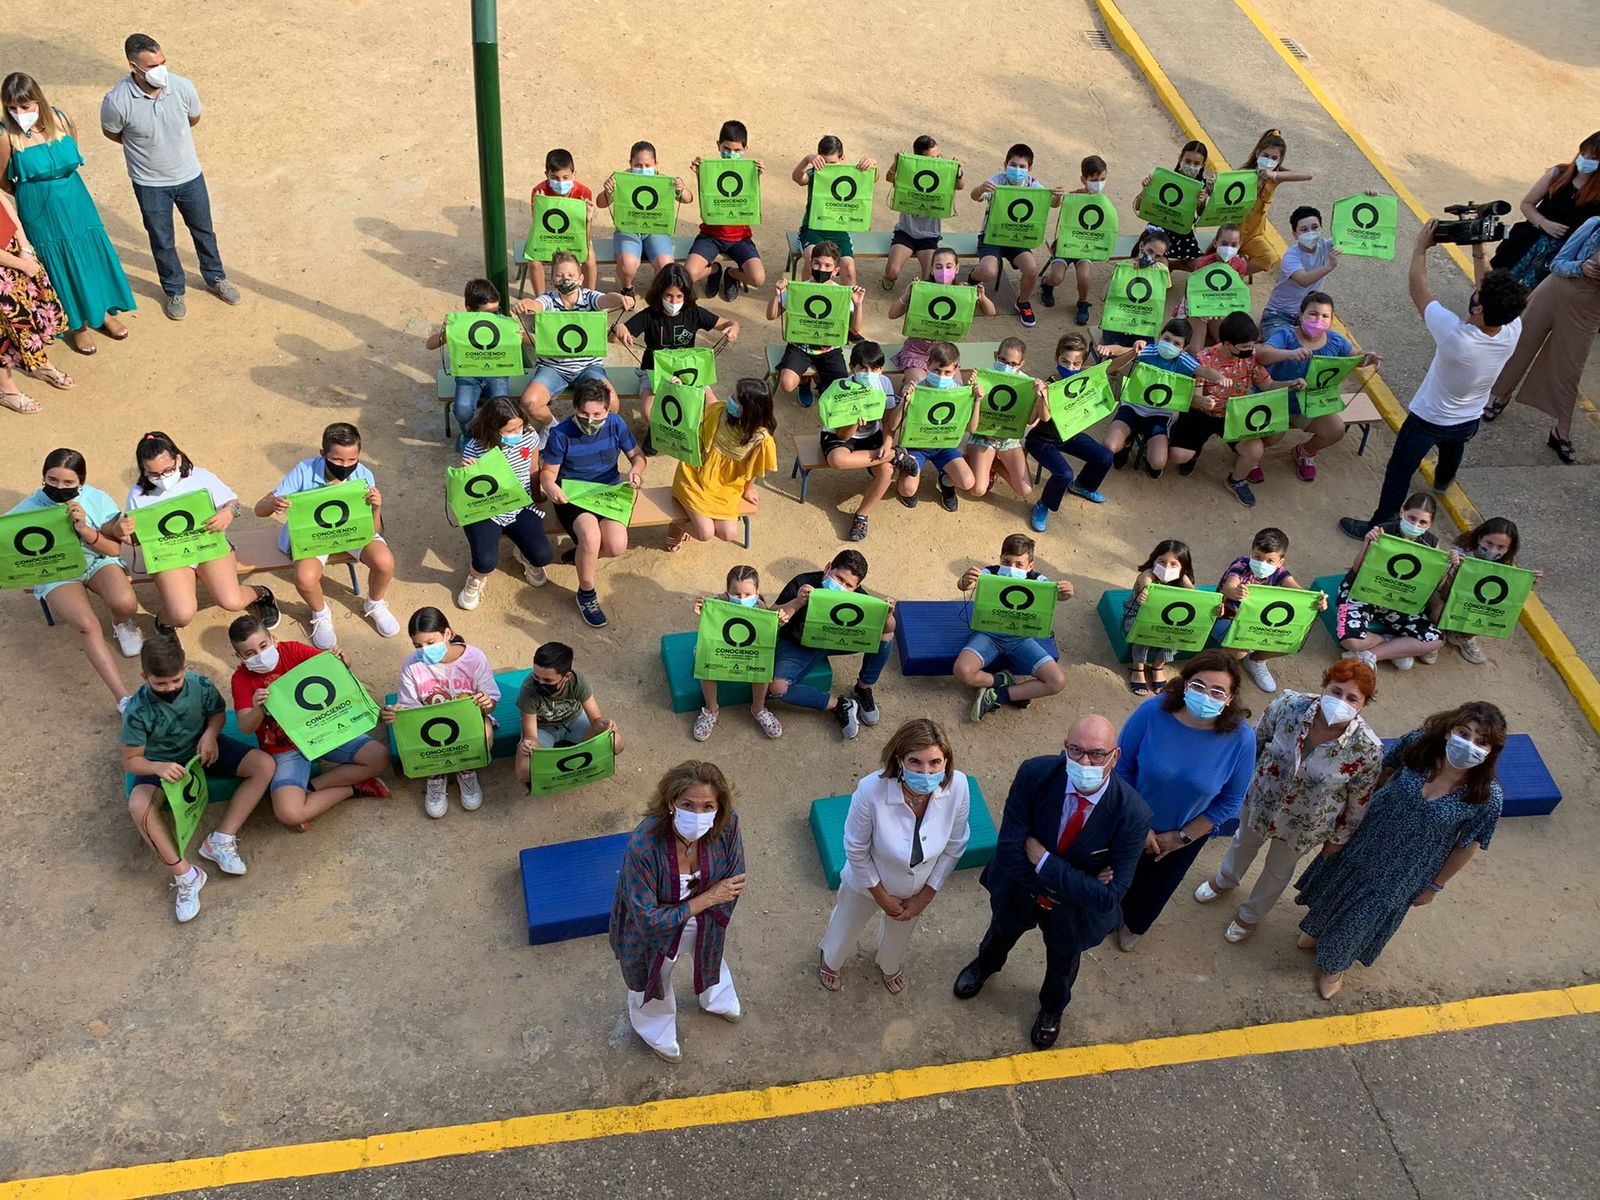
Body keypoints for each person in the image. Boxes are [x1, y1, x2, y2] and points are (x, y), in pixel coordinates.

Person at [953, 715, 1151, 1048]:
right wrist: (1082, 881)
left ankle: (1051, 1010)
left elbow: (1109, 897)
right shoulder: (1035, 774)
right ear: (1065, 748)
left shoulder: (1133, 814)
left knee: (1062, 963)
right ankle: (985, 966)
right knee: (1001, 931)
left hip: (1073, 913)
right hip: (1021, 889)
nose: (1085, 761)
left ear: (1115, 756)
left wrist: (1043, 860)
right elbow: (1009, 850)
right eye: (1076, 750)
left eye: (1097, 754)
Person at [1294, 701, 1505, 1000]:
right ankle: (1317, 930)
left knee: (1362, 918)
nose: (1468, 744)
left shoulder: (1486, 796)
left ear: (1490, 751)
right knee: (1333, 885)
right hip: (1365, 839)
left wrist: (1435, 886)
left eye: (1481, 741)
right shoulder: (1419, 745)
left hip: (1405, 869)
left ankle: (1334, 966)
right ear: (1448, 731)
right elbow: (1380, 773)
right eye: (1463, 732)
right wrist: (1347, 818)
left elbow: (1466, 846)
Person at [1339, 222, 1528, 539]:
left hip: (1428, 418)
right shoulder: (1512, 328)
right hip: (1469, 416)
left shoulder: (1457, 336)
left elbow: (1418, 288)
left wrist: (1420, 248)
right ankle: (1442, 481)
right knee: (1453, 450)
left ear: (1479, 307)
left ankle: (1380, 524)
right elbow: (1490, 289)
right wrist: (1478, 248)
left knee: (1399, 471)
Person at [1194, 660, 1383, 942]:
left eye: (1351, 698)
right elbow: (1256, 742)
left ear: (1364, 705)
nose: (1340, 701)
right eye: (1336, 691)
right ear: (1324, 687)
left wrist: (1339, 838)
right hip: (1262, 798)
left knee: (1277, 870)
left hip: (1305, 821)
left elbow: (1359, 799)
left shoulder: (1367, 750)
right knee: (1242, 842)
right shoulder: (1289, 705)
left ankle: (1250, 915)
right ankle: (1226, 879)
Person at [120, 635, 274, 923]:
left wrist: (210, 735)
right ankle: (186, 875)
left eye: (176, 680)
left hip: (203, 751)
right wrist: (157, 768)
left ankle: (221, 839)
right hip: (161, 762)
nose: (170, 689)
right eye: (160, 684)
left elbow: (216, 713)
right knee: (138, 805)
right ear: (145, 677)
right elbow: (131, 760)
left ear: (185, 667)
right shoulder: (136, 711)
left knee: (263, 765)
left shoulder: (200, 684)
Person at [1112, 651, 1257, 952]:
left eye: (1218, 691)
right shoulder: (1152, 712)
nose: (1206, 695)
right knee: (1112, 871)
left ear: (1230, 699)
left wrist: (1180, 838)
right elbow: (1122, 767)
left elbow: (1230, 801)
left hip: (1184, 834)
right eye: (1198, 685)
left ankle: (1134, 924)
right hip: (1129, 819)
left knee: (1156, 888)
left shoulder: (1241, 739)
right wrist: (1140, 827)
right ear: (1185, 684)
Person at [818, 719, 971, 995]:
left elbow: (956, 843)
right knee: (845, 926)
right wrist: (880, 896)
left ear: (946, 761)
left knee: (900, 936)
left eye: (935, 762)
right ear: (900, 760)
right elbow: (855, 848)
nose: (926, 772)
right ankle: (830, 960)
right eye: (916, 762)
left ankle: (889, 964)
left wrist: (925, 895)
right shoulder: (870, 791)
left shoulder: (958, 786)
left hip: (917, 887)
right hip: (867, 883)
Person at [609, 760, 746, 1063]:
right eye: (688, 804)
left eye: (707, 806)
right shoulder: (644, 846)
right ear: (671, 802)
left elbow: (736, 878)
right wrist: (707, 899)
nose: (698, 814)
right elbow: (647, 918)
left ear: (719, 806)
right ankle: (655, 1030)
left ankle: (716, 998)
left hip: (706, 919)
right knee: (653, 977)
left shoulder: (727, 824)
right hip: (654, 934)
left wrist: (710, 910)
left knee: (711, 956)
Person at [100, 35, 240, 320]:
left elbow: (193, 118)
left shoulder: (182, 87)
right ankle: (174, 290)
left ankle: (215, 278)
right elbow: (113, 133)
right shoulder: (116, 101)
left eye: (163, 62)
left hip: (190, 177)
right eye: (152, 65)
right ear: (133, 66)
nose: (161, 69)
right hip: (150, 185)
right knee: (162, 240)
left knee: (204, 231)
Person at [2, 73, 134, 355]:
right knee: (59, 263)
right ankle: (79, 326)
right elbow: (2, 179)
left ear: (38, 100)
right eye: (12, 108)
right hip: (38, 208)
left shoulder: (61, 119)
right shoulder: (5, 136)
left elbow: (72, 152)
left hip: (75, 198)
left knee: (90, 255)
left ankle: (102, 313)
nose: (19, 113)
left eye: (24, 106)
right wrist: (28, 193)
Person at [228, 615, 390, 829]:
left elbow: (333, 670)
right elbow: (245, 726)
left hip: (323, 730)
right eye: (250, 654)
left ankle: (312, 789)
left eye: (263, 646)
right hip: (284, 750)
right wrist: (257, 710)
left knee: (380, 757)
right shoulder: (240, 679)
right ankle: (353, 789)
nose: (259, 655)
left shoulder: (292, 650)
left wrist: (344, 660)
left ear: (273, 639)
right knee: (289, 813)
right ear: (239, 656)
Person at [9, 448, 143, 708]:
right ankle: (122, 698)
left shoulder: (96, 499)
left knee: (125, 603)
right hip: (58, 571)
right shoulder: (27, 510)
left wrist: (83, 528)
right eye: (52, 480)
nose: (59, 487)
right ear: (43, 478)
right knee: (88, 625)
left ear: (80, 481)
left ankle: (121, 623)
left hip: (96, 559)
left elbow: (114, 549)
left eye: (68, 482)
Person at [110, 431, 281, 634]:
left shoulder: (200, 477)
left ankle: (261, 594)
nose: (162, 478)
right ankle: (164, 622)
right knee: (181, 614)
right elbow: (137, 539)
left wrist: (228, 512)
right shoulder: (138, 494)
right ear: (143, 470)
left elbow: (232, 502)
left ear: (178, 458)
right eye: (153, 474)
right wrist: (121, 532)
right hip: (170, 555)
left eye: (167, 470)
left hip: (207, 544)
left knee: (231, 601)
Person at [255, 422, 399, 648]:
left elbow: (373, 531)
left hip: (351, 531)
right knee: (304, 577)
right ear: (323, 454)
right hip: (314, 537)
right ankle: (321, 614)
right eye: (338, 460)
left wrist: (377, 507)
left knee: (385, 561)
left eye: (352, 460)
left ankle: (374, 603)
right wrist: (274, 503)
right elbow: (259, 510)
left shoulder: (364, 475)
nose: (345, 466)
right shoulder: (303, 471)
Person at [1487, 213, 1600, 463]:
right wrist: (1580, 267)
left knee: (1569, 369)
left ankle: (1561, 430)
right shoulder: (1594, 225)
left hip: (1588, 310)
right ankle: (1500, 395)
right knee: (1520, 344)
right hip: (1555, 291)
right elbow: (1558, 263)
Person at [540, 380, 646, 629]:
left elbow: (638, 456)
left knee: (617, 546)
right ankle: (586, 594)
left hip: (608, 491)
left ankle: (579, 555)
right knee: (590, 536)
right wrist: (551, 486)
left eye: (598, 414)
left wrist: (636, 470)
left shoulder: (616, 424)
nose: (591, 419)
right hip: (573, 496)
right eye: (584, 413)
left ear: (607, 411)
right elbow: (548, 474)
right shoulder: (561, 434)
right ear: (574, 408)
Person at [1252, 291, 1382, 485]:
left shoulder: (1336, 340)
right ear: (1301, 314)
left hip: (1311, 402)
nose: (1318, 319)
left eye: (1325, 316)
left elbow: (1356, 357)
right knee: (1272, 438)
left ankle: (1303, 452)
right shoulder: (1285, 335)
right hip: (1275, 399)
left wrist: (1368, 357)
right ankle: (1252, 459)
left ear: (1331, 319)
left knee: (1335, 430)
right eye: (1313, 314)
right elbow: (1261, 354)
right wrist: (1288, 354)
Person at [382, 607, 499, 819]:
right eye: (417, 645)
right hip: (429, 724)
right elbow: (409, 708)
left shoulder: (474, 658)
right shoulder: (412, 665)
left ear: (447, 634)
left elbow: (491, 704)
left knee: (485, 734)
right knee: (411, 737)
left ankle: (466, 769)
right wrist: (395, 715)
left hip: (468, 720)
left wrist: (486, 702)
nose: (424, 650)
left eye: (430, 642)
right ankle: (436, 773)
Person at [769, 549, 896, 739]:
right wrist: (797, 602)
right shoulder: (802, 583)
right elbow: (771, 618)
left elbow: (888, 629)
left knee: (886, 635)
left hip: (838, 641)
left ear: (857, 587)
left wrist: (887, 615)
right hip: (798, 644)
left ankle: (863, 688)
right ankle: (840, 705)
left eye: (849, 585)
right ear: (828, 568)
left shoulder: (862, 599)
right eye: (838, 578)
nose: (841, 586)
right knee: (777, 688)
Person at [615, 262, 737, 452]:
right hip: (653, 373)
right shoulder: (649, 315)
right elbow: (616, 336)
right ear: (659, 294)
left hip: (689, 373)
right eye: (668, 296)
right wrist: (619, 328)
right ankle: (657, 433)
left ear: (686, 295)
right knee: (649, 413)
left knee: (712, 406)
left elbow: (727, 323)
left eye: (679, 296)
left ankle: (692, 435)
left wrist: (732, 328)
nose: (674, 301)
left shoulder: (694, 313)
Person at [1166, 311, 1286, 504]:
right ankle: (1193, 452)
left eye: (1252, 345)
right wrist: (1203, 402)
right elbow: (1194, 399)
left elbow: (1269, 386)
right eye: (1245, 347)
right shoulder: (1203, 360)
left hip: (1233, 415)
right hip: (1200, 415)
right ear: (1227, 344)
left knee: (1255, 450)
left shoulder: (1250, 358)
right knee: (1177, 456)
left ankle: (1236, 481)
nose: (1251, 350)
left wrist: (1291, 384)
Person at [953, 534, 1073, 721]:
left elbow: (1058, 595)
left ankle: (999, 696)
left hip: (1021, 638)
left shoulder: (1038, 580)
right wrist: (966, 580)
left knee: (1057, 681)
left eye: (1019, 564)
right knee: (963, 671)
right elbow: (963, 586)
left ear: (1030, 566)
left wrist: (1066, 592)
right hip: (988, 634)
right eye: (1007, 562)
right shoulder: (990, 573)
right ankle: (1001, 680)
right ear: (1000, 559)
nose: (1011, 568)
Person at [454, 395, 552, 612]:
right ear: (492, 429)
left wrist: (536, 497)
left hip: (520, 504)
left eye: (519, 427)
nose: (516, 434)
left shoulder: (529, 436)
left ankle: (524, 554)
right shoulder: (475, 448)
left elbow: (533, 469)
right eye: (509, 431)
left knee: (542, 555)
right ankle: (476, 579)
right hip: (486, 509)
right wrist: (465, 474)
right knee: (485, 561)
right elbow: (467, 493)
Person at [513, 250, 633, 420]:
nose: (565, 279)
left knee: (612, 403)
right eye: (560, 275)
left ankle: (592, 430)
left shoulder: (589, 297)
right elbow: (536, 304)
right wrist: (525, 304)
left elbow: (605, 299)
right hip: (553, 368)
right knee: (529, 402)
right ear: (553, 279)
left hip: (588, 367)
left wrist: (620, 298)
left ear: (580, 278)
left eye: (570, 274)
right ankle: (553, 428)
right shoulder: (548, 299)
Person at [1103, 317, 1226, 480]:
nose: (1169, 345)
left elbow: (1204, 371)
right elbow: (1120, 350)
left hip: (1160, 415)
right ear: (1160, 336)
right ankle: (1126, 444)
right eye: (1166, 339)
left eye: (1176, 343)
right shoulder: (1150, 350)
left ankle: (1147, 451)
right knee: (1109, 446)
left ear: (1184, 348)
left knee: (1158, 462)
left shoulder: (1184, 361)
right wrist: (1107, 348)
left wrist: (1219, 378)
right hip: (1132, 407)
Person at [1335, 493, 1446, 670]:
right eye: (1411, 517)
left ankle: (1372, 655)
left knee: (1435, 640)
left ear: (1430, 524)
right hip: (1363, 592)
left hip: (1398, 603)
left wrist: (1450, 567)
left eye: (1423, 522)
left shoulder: (1432, 544)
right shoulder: (1383, 531)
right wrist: (1367, 542)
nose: (1415, 525)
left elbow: (1434, 584)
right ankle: (1390, 642)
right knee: (1350, 641)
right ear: (1402, 512)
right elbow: (1356, 569)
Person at [667, 378, 776, 550]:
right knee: (705, 532)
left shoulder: (761, 439)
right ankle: (677, 526)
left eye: (735, 398)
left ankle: (687, 521)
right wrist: (680, 388)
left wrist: (748, 490)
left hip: (726, 487)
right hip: (695, 476)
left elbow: (754, 469)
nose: (729, 400)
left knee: (728, 533)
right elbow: (706, 394)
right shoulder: (720, 412)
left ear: (750, 409)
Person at [1213, 526, 1323, 694]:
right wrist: (1235, 592)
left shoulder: (1279, 573)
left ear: (1280, 562)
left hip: (1257, 623)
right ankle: (1215, 667)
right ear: (1251, 552)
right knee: (1240, 650)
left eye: (1270, 561)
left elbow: (1300, 592)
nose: (1262, 564)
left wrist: (1318, 601)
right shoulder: (1241, 565)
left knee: (1291, 641)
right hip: (1226, 617)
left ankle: (1256, 660)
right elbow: (1229, 586)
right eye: (1257, 557)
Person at [968, 143, 1066, 328]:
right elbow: (975, 196)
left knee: (1031, 269)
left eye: (1022, 167)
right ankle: (972, 279)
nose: (1017, 169)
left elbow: (1052, 203)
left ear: (1029, 169)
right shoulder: (997, 180)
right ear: (1005, 164)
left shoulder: (1033, 184)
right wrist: (981, 188)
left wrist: (1058, 196)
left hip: (1017, 238)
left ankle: (1022, 302)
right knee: (988, 271)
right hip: (992, 236)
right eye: (1013, 165)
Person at [1026, 333, 1116, 528]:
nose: (1070, 367)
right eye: (1064, 361)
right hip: (1042, 440)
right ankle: (1044, 504)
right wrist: (1042, 397)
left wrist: (1134, 352)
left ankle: (1083, 485)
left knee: (1104, 457)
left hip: (1069, 434)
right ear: (1056, 358)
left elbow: (1113, 367)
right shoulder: (1049, 384)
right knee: (1064, 474)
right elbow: (1045, 418)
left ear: (1083, 364)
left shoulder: (1085, 377)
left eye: (1076, 364)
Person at [1490, 132, 1600, 286]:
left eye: (1593, 158)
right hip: (1526, 242)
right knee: (1492, 286)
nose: (1585, 160)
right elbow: (1527, 204)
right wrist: (1544, 223)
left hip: (1556, 258)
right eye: (1583, 153)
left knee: (1526, 302)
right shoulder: (1558, 174)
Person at [689, 565, 782, 741]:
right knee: (704, 657)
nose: (741, 599)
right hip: (724, 649)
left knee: (764, 662)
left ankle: (758, 708)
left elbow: (767, 635)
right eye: (736, 593)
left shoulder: (761, 607)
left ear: (757, 592)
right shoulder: (718, 603)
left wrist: (779, 621)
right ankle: (711, 709)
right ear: (727, 591)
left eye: (747, 594)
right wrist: (701, 609)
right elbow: (710, 625)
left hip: (747, 651)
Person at [1432, 517, 1542, 666]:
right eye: (1489, 543)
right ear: (1479, 538)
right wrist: (1454, 567)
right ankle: (1436, 635)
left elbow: (1506, 599)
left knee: (1489, 614)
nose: (1493, 550)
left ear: (1508, 549)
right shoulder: (1462, 553)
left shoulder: (1506, 567)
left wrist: (1528, 583)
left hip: (1474, 605)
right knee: (1438, 607)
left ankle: (1462, 637)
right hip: (1450, 599)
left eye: (1500, 547)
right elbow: (1445, 593)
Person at [513, 640, 624, 787]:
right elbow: (531, 736)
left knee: (616, 742)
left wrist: (605, 726)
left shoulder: (578, 682)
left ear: (566, 677)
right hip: (543, 729)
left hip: (574, 721)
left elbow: (596, 720)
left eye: (548, 680)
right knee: (524, 770)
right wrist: (529, 746)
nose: (540, 684)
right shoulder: (529, 689)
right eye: (536, 677)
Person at [820, 339, 900, 542]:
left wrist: (887, 443)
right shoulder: (841, 389)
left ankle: (862, 515)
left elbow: (888, 421)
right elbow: (842, 435)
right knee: (838, 460)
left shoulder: (884, 383)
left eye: (874, 368)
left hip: (872, 435)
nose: (868, 372)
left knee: (887, 472)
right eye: (862, 368)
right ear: (852, 368)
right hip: (842, 434)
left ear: (881, 369)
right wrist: (854, 422)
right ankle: (896, 455)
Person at [766, 241, 864, 405]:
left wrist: (859, 304)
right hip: (800, 346)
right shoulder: (798, 289)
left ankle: (819, 379)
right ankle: (804, 383)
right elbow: (771, 316)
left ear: (836, 271)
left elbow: (855, 329)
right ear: (810, 264)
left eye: (827, 266)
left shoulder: (842, 294)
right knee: (786, 384)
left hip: (829, 348)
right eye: (817, 263)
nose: (821, 269)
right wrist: (777, 295)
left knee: (839, 391)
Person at [889, 340, 981, 511]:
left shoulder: (959, 392)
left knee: (967, 481)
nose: (941, 376)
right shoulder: (917, 389)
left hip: (944, 446)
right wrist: (905, 401)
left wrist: (976, 402)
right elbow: (893, 425)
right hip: (916, 445)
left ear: (955, 369)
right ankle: (909, 485)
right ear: (928, 364)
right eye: (936, 371)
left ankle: (946, 481)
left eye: (947, 372)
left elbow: (972, 429)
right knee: (907, 489)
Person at [0, 189, 71, 410]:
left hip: (15, 252)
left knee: (30, 316)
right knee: (3, 332)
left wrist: (25, 245)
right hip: (6, 268)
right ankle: (6, 389)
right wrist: (23, 263)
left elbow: (3, 201)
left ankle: (40, 363)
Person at [886, 245, 993, 387]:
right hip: (917, 351)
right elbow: (892, 315)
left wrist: (982, 298)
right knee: (919, 385)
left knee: (956, 387)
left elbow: (991, 312)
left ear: (957, 268)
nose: (944, 271)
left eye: (949, 266)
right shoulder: (922, 289)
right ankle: (905, 389)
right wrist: (907, 295)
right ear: (931, 269)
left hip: (945, 354)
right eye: (938, 266)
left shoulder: (963, 293)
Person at [596, 140, 693, 296]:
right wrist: (608, 191)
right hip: (629, 229)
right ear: (631, 163)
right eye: (638, 165)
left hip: (656, 230)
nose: (643, 169)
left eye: (647, 165)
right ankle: (627, 287)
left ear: (655, 163)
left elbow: (688, 199)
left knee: (665, 264)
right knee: (627, 263)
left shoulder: (664, 181)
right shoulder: (621, 179)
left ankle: (660, 290)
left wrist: (681, 189)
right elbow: (600, 203)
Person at [426, 278, 524, 432]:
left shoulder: (503, 323)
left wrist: (519, 335)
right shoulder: (460, 327)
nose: (493, 317)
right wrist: (447, 334)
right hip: (468, 374)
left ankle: (494, 436)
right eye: (487, 313)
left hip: (497, 373)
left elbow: (531, 342)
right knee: (462, 410)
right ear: (469, 309)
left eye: (496, 311)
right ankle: (469, 434)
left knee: (500, 409)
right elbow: (430, 345)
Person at [685, 120, 767, 301]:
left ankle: (731, 274)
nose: (731, 154)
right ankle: (715, 270)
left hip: (740, 238)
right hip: (711, 235)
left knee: (758, 278)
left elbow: (753, 205)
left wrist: (756, 177)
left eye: (737, 150)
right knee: (688, 274)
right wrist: (700, 174)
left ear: (745, 148)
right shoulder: (709, 169)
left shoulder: (750, 171)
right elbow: (706, 199)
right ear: (718, 145)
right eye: (727, 149)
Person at [792, 134, 877, 287]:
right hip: (813, 230)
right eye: (823, 162)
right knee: (811, 260)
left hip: (839, 232)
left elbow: (873, 178)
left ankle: (847, 307)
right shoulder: (815, 173)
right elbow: (798, 178)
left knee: (849, 268)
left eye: (832, 162)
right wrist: (807, 159)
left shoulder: (852, 173)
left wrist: (873, 164)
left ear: (842, 158)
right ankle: (806, 296)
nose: (827, 167)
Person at [882, 135, 964, 291]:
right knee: (892, 271)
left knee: (929, 279)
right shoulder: (909, 171)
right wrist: (896, 163)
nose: (938, 159)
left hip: (929, 236)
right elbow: (889, 177)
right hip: (905, 233)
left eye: (938, 154)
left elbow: (960, 186)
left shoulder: (943, 170)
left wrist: (958, 172)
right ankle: (889, 277)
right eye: (933, 157)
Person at [1121, 539, 1196, 696]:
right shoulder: (1148, 575)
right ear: (1153, 560)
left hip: (1167, 620)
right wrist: (1143, 593)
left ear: (1183, 567)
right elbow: (1145, 584)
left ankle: (1157, 665)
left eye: (1174, 564)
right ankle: (1138, 667)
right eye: (1161, 561)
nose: (1166, 567)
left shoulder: (1181, 579)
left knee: (1176, 635)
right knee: (1145, 634)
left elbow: (1195, 596)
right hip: (1137, 615)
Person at [1040, 154, 1109, 324]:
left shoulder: (1103, 202)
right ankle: (1046, 284)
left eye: (1103, 178)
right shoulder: (1073, 197)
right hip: (1066, 244)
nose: (1099, 183)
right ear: (1084, 179)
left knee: (1084, 276)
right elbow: (1064, 223)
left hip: (1085, 247)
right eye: (1095, 179)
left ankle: (1083, 303)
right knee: (1057, 278)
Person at [1237, 129, 1314, 274]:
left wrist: (1274, 174)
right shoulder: (1243, 174)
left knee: (1269, 258)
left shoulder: (1274, 178)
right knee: (1202, 261)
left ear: (1279, 160)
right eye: (1265, 156)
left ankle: (1234, 273)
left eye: (1274, 158)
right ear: (1257, 153)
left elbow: (1308, 175)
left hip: (1253, 235)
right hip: (1232, 232)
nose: (1268, 160)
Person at [1258, 205, 1341, 336]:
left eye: (1315, 227)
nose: (1310, 232)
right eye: (1304, 229)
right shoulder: (1291, 256)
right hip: (1280, 315)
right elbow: (1303, 280)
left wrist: (1369, 199)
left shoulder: (1326, 246)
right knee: (1282, 347)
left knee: (1331, 346)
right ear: (1295, 234)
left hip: (1311, 315)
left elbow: (1352, 233)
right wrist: (1330, 266)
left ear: (1321, 228)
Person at [1132, 141, 1213, 271]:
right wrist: (1145, 190)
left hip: (1182, 231)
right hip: (1159, 229)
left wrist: (1201, 202)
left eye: (1196, 163)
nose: (1191, 166)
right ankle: (1165, 268)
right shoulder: (1163, 178)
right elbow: (1137, 206)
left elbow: (1200, 216)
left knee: (1198, 266)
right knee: (1161, 266)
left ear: (1203, 165)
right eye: (1187, 161)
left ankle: (1174, 265)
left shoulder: (1202, 185)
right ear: (1180, 159)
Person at [527, 147, 597, 294]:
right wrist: (540, 205)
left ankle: (590, 297)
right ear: (547, 175)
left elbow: (586, 234)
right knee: (534, 261)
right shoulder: (539, 191)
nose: (560, 182)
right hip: (549, 238)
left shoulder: (584, 193)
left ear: (574, 174)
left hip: (575, 238)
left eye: (566, 177)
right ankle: (541, 300)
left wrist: (588, 218)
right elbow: (540, 226)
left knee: (589, 257)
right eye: (555, 178)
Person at [1180, 222, 1252, 351]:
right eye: (1224, 243)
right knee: (1196, 349)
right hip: (1198, 308)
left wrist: (1224, 311)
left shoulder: (1240, 264)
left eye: (1234, 244)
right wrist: (1204, 310)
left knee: (1227, 345)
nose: (1229, 248)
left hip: (1222, 308)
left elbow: (1236, 291)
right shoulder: (1202, 263)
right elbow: (1190, 292)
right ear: (1215, 243)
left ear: (1240, 245)